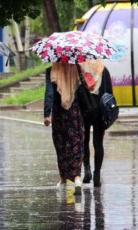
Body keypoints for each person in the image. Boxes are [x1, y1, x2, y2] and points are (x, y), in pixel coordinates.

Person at [43, 62, 84, 195]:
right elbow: (83, 90)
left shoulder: (51, 70)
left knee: (61, 145)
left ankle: (63, 179)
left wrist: (47, 114)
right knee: (76, 143)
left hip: (59, 113)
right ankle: (77, 178)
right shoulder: (77, 68)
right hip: (75, 112)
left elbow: (49, 93)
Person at [80, 60, 113, 187]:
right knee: (98, 143)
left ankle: (87, 171)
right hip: (100, 111)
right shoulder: (103, 70)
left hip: (85, 110)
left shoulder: (80, 70)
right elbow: (109, 93)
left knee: (84, 141)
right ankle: (97, 175)